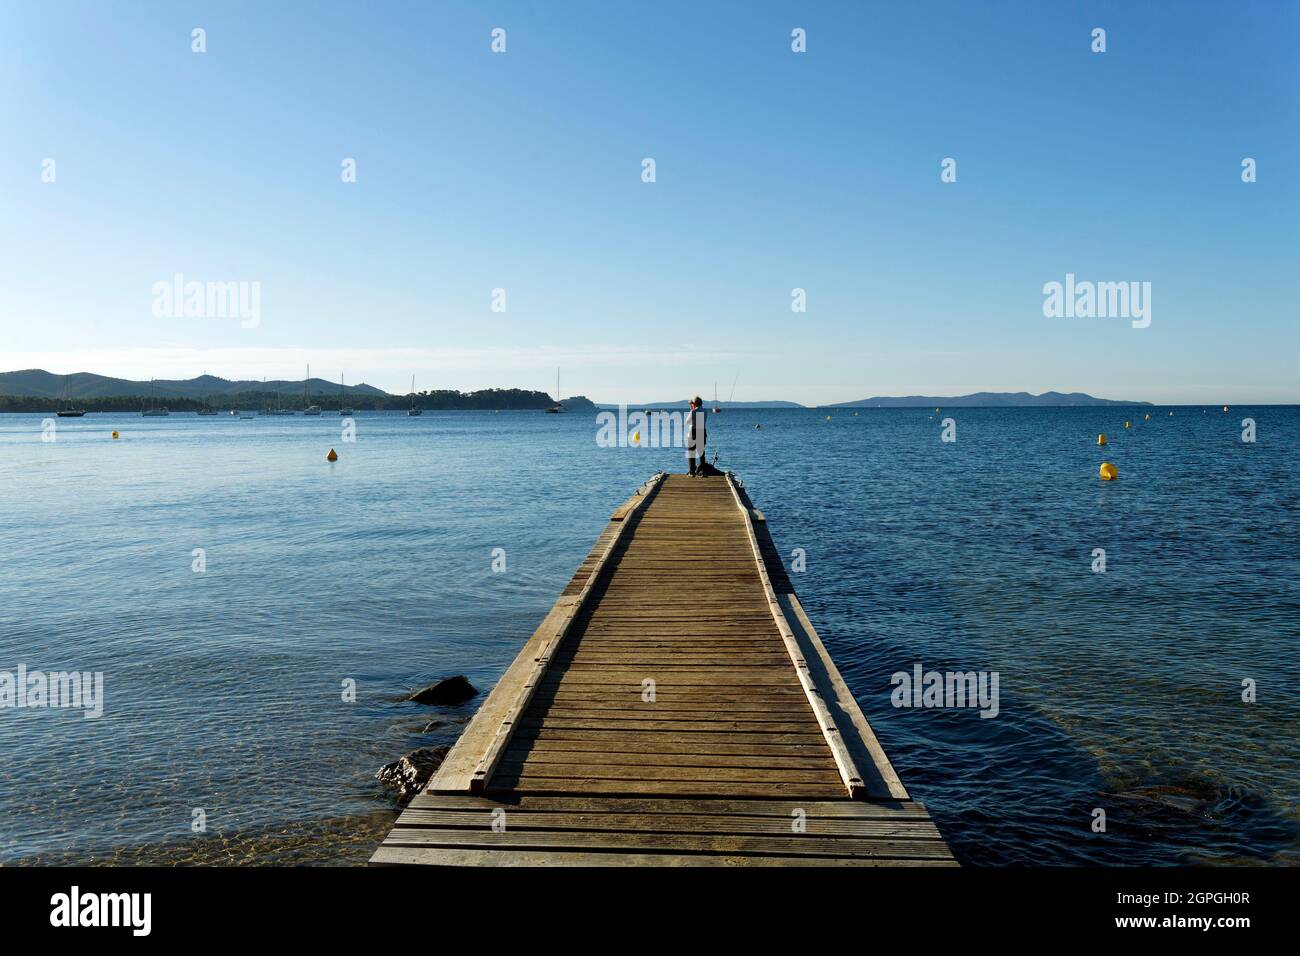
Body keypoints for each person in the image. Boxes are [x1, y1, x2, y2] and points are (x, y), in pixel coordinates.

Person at [686, 395, 707, 476]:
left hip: (694, 433)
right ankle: (703, 471)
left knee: (691, 452)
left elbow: (687, 422)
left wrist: (691, 410)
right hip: (702, 431)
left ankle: (692, 471)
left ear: (694, 403)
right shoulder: (705, 411)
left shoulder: (693, 411)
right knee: (701, 453)